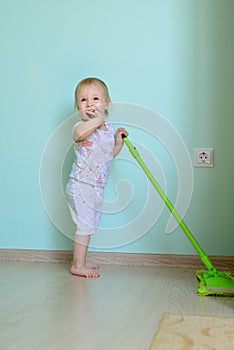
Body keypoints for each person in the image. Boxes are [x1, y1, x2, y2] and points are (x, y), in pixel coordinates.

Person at [66, 77, 128, 278]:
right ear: (78, 107)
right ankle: (78, 265)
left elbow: (109, 155)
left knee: (90, 225)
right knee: (84, 225)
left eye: (95, 98)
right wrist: (96, 120)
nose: (90, 103)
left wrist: (118, 142)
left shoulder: (108, 129)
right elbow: (78, 136)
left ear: (106, 104)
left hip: (96, 187)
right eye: (83, 100)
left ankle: (81, 259)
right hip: (80, 185)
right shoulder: (80, 126)